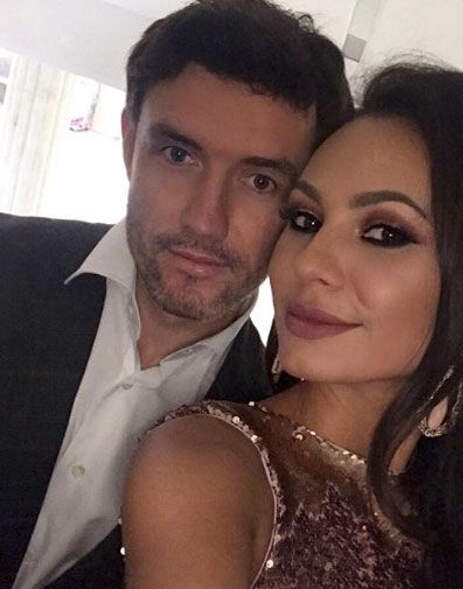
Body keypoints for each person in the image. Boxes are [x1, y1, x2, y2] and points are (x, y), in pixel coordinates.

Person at [123, 62, 463, 589]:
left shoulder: (460, 514)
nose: (309, 262)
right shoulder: (210, 465)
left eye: (384, 233)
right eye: (305, 221)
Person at [0, 1, 353, 587]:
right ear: (129, 141)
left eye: (260, 181)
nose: (205, 220)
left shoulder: (268, 439)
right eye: (179, 155)